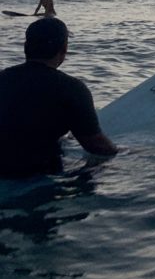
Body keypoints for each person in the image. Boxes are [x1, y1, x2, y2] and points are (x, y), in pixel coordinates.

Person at [0, 18, 118, 178]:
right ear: (64, 49)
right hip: (40, 178)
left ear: (26, 47)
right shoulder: (71, 88)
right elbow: (96, 146)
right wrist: (126, 152)